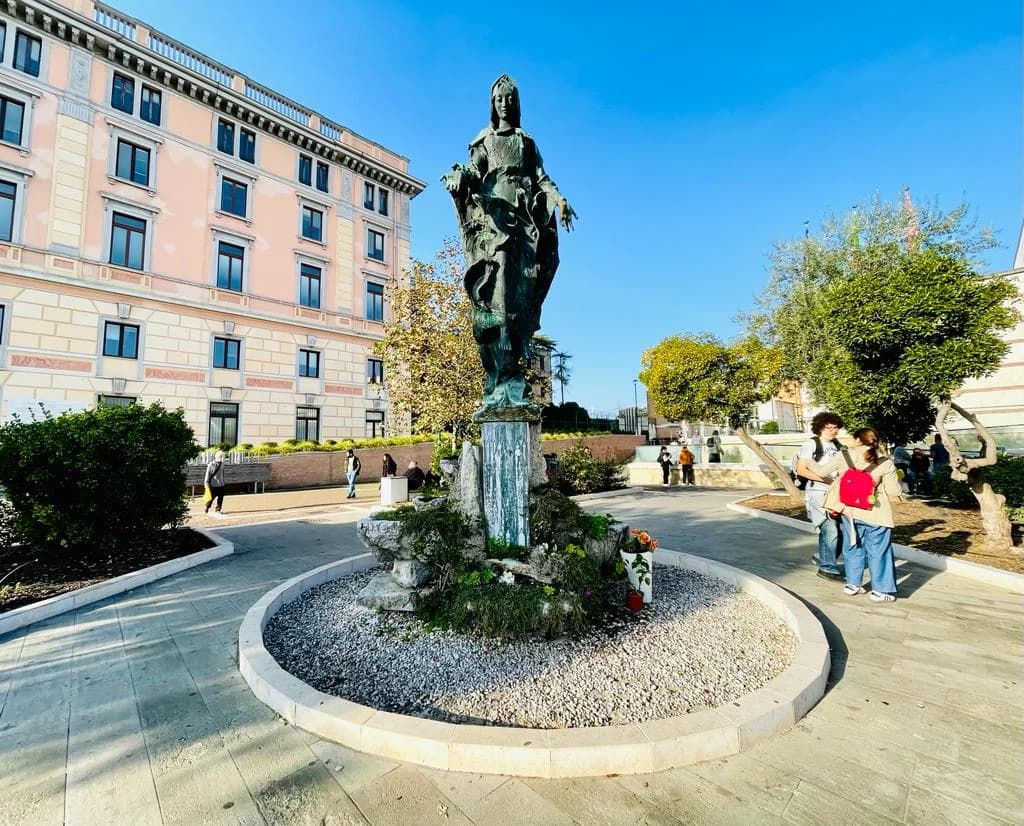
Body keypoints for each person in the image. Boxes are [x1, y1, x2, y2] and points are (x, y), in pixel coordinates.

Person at [442, 74, 576, 409]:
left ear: (516, 103)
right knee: (497, 301)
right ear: (493, 103)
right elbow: (473, 172)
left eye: (510, 97)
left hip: (526, 226)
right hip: (496, 221)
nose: (505, 103)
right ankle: (500, 377)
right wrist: (460, 177)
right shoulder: (484, 140)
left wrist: (559, 200)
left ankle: (512, 373)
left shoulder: (525, 142)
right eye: (499, 98)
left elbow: (542, 179)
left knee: (522, 298)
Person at [813, 427, 902, 602]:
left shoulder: (844, 455)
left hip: (850, 511)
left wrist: (807, 461)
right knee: (879, 551)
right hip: (876, 513)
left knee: (853, 546)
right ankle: (880, 591)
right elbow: (894, 491)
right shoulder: (885, 462)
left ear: (858, 440)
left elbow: (821, 471)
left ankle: (852, 584)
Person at [796, 411, 845, 581]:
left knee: (841, 530)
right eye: (828, 427)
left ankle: (823, 558)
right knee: (830, 528)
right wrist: (826, 480)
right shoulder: (812, 444)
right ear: (820, 427)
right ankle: (827, 567)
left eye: (835, 427)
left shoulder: (838, 445)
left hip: (836, 492)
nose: (833, 430)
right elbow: (802, 469)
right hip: (818, 491)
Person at [204, 450, 227, 516]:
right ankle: (207, 506)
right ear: (217, 457)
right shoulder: (211, 464)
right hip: (213, 484)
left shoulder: (222, 464)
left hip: (221, 484)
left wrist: (223, 482)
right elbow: (207, 474)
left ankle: (218, 509)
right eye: (221, 456)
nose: (222, 458)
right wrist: (206, 483)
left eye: (222, 457)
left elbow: (222, 474)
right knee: (211, 497)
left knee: (221, 497)